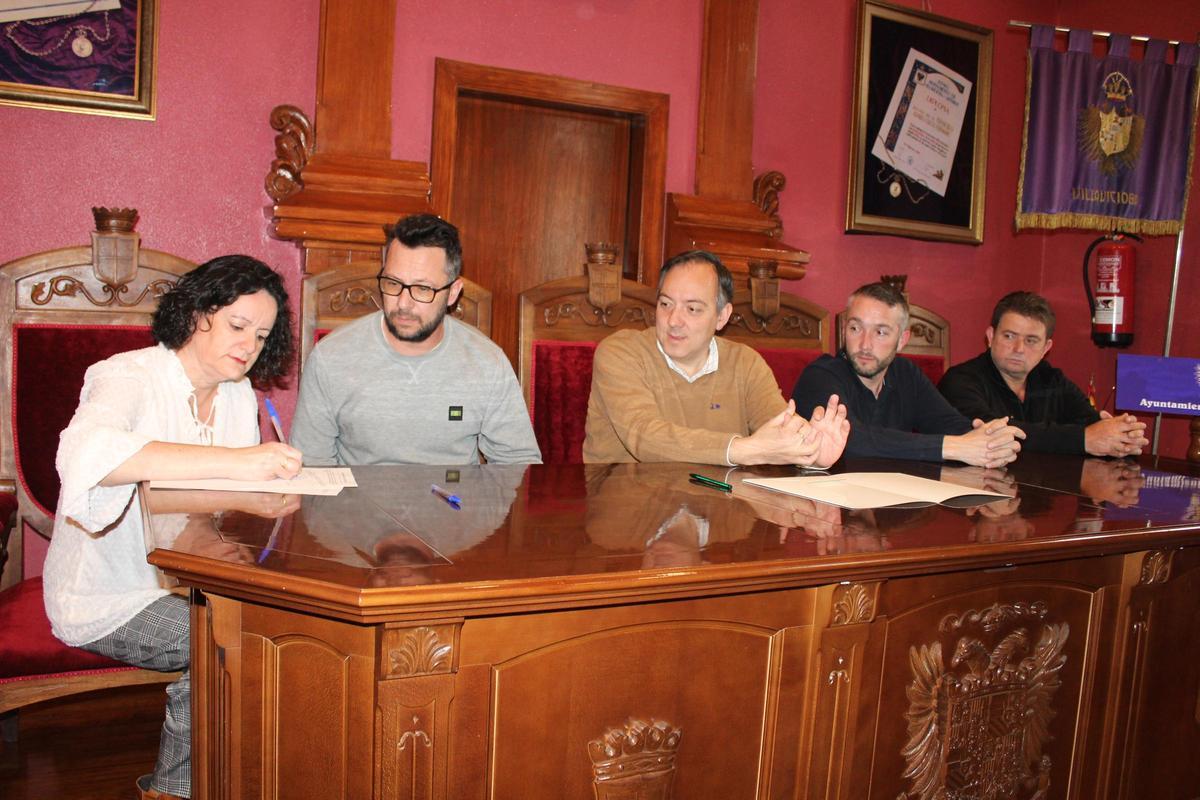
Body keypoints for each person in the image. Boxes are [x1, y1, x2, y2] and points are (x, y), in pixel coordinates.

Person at [43, 256, 302, 800]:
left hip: (184, 576)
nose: (250, 345)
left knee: (281, 632)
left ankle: (246, 779)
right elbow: (88, 457)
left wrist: (258, 499)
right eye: (237, 326)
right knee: (220, 639)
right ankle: (175, 790)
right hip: (106, 595)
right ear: (195, 313)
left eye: (261, 334)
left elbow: (202, 508)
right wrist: (241, 467)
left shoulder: (236, 396)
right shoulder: (125, 376)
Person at [291, 214, 541, 465]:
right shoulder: (331, 358)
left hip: (454, 502)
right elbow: (312, 466)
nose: (403, 303)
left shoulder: (487, 363)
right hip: (358, 502)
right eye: (393, 283)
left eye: (423, 289)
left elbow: (518, 465)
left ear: (453, 293)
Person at [582, 250, 849, 466]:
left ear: (722, 316)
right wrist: (742, 450)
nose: (674, 320)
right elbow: (644, 437)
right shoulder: (620, 352)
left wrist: (814, 451)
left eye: (693, 309)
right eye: (665, 304)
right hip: (628, 516)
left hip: (719, 519)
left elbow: (780, 429)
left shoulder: (745, 363)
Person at [792, 282, 1024, 467]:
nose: (864, 344)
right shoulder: (821, 376)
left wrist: (992, 439)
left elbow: (947, 422)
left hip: (888, 512)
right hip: (826, 512)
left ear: (902, 340)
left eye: (881, 332)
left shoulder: (905, 373)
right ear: (844, 330)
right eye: (855, 328)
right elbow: (851, 440)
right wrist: (953, 447)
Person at [938, 291, 1148, 457]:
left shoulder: (1050, 379)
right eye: (1009, 336)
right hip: (980, 496)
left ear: (1046, 347)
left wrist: (1122, 436)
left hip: (1039, 497)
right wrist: (1084, 439)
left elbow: (1090, 421)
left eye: (1031, 340)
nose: (1019, 348)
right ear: (991, 337)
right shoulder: (959, 381)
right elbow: (995, 434)